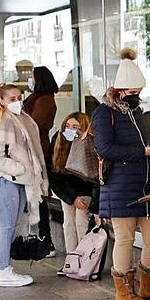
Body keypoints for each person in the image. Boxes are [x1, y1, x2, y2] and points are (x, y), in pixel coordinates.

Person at [91, 48, 150, 300]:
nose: (135, 97)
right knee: (125, 238)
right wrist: (142, 151)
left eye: (138, 92)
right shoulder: (104, 113)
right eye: (131, 92)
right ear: (118, 90)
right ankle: (123, 289)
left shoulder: (135, 111)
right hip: (120, 184)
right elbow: (103, 148)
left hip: (146, 182)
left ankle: (148, 283)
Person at [0, 84, 49, 287]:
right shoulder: (0, 119)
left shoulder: (21, 118)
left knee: (11, 227)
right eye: (11, 98)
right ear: (1, 100)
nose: (17, 101)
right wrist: (22, 168)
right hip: (8, 180)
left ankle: (6, 268)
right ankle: (3, 270)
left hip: (19, 180)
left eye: (19, 97)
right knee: (7, 227)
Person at [47, 112, 101, 264]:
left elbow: (94, 175)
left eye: (76, 127)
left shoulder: (89, 142)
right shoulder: (59, 141)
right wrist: (71, 197)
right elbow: (55, 174)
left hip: (85, 191)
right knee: (68, 223)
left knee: (80, 221)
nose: (71, 130)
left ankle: (84, 260)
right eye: (67, 126)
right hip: (67, 191)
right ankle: (71, 260)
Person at [24, 66, 59, 254]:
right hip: (33, 149)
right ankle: (42, 237)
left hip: (37, 150)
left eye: (32, 77)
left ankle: (46, 239)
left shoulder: (44, 101)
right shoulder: (39, 99)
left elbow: (33, 126)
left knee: (40, 195)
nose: (30, 80)